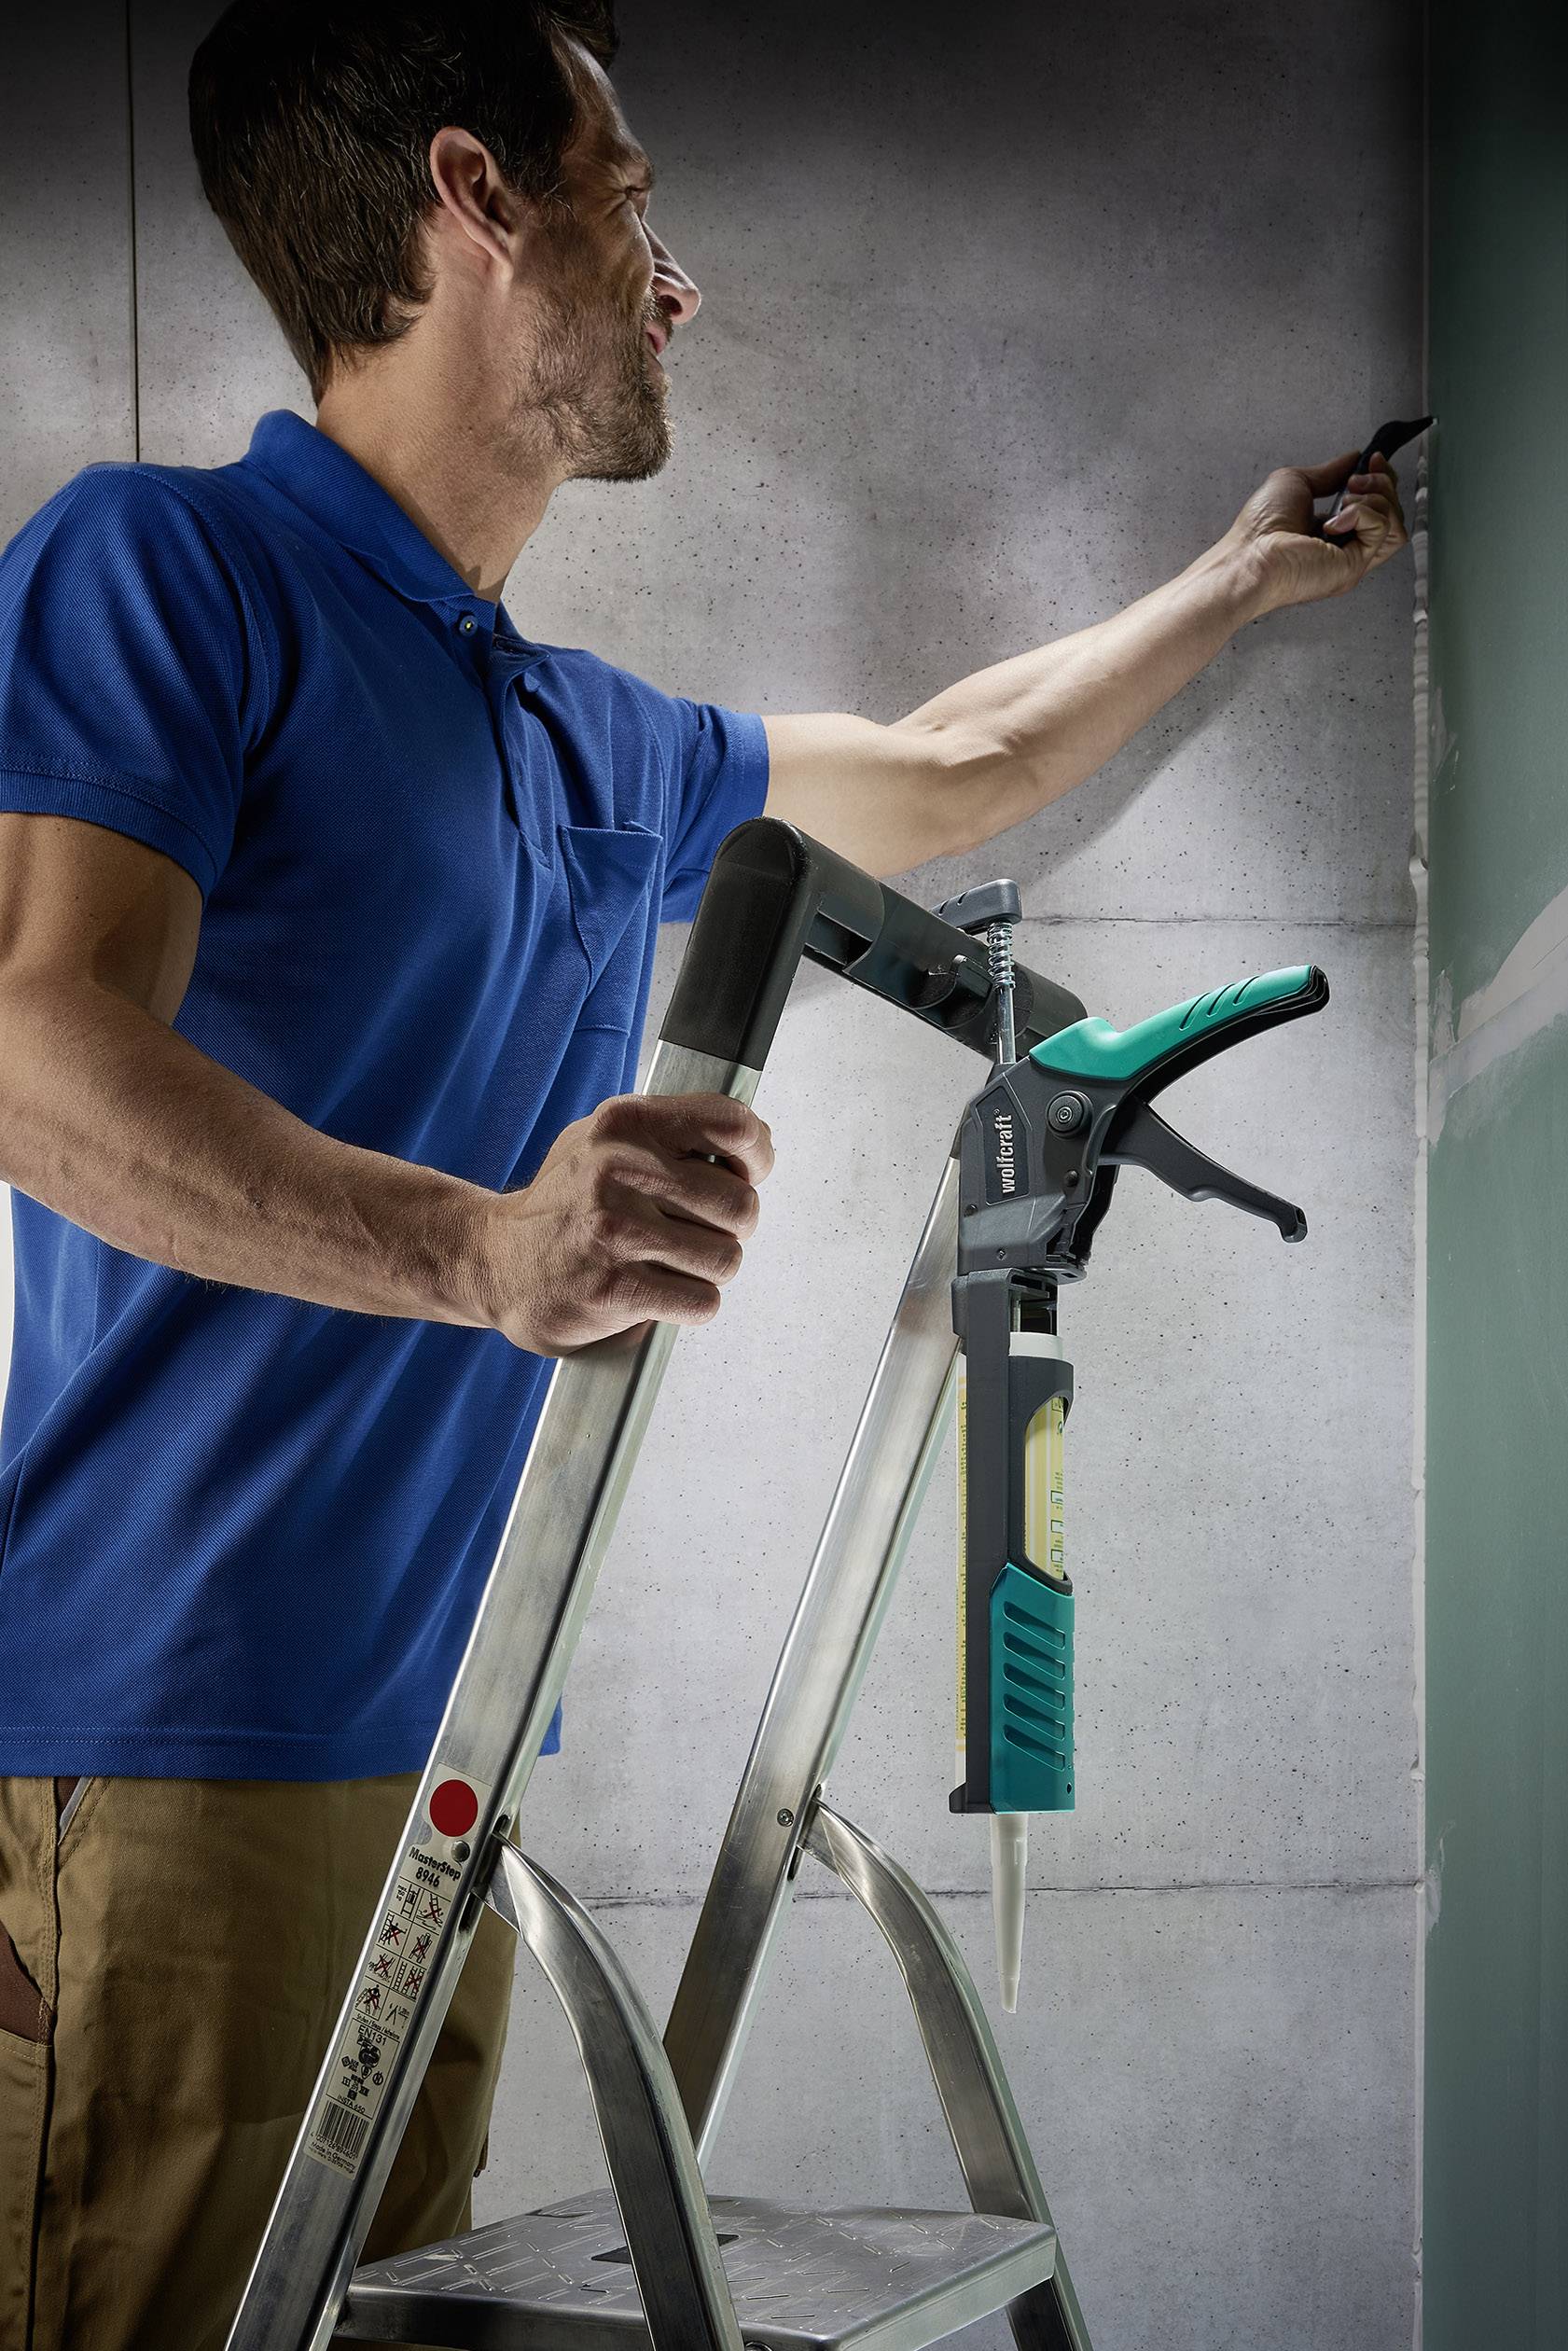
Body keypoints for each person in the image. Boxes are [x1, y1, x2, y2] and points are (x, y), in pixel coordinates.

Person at [0, 4, 1408, 2345]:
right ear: (473, 198)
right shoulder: (172, 571)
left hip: (440, 1765)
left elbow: (947, 764)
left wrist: (1232, 582)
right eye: (626, 191)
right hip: (180, 1748)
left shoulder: (561, 725)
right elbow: (37, 1047)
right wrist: (479, 1244)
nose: (674, 273)